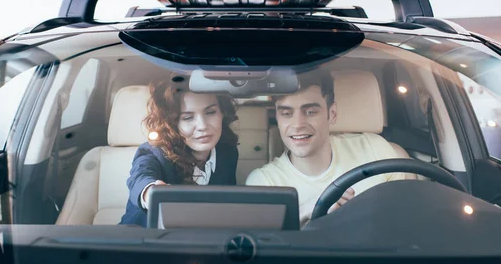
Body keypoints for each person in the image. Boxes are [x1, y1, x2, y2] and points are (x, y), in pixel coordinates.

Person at [246, 73, 413, 227]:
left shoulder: (375, 151)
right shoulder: (264, 183)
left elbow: (412, 219)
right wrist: (305, 211)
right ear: (277, 118)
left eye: (310, 112)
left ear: (332, 114)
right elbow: (263, 249)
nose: (297, 125)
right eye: (287, 113)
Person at [120, 82, 239, 227]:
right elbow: (140, 178)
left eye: (210, 112)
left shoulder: (227, 153)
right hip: (141, 242)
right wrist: (151, 192)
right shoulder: (154, 152)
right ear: (172, 124)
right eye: (188, 118)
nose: (202, 126)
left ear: (222, 113)